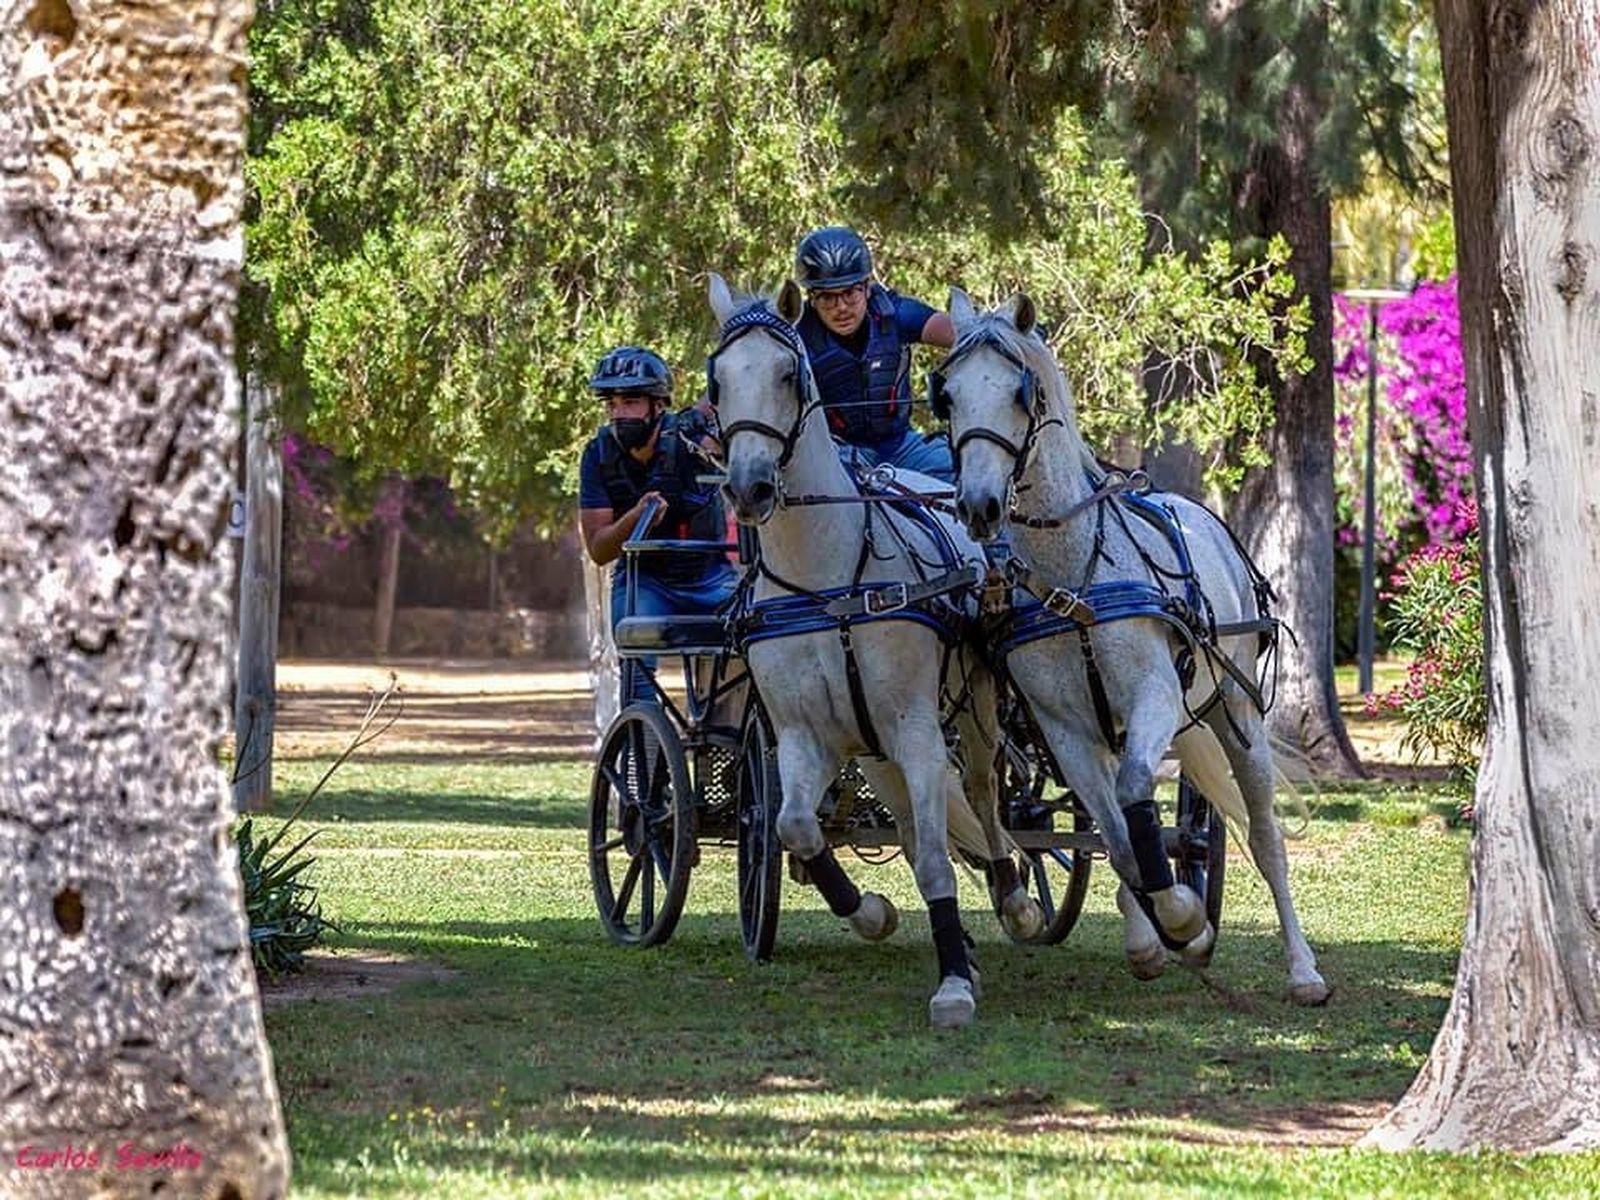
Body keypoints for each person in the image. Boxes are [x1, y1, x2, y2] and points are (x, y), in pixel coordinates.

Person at [578, 346, 736, 703]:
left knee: (758, 645)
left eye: (631, 402)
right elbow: (599, 549)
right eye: (612, 404)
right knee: (637, 675)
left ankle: (734, 747)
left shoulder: (693, 439)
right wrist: (636, 517)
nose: (619, 414)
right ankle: (645, 753)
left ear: (658, 404)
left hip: (711, 577)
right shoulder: (597, 455)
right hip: (644, 581)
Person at [794, 225, 957, 483]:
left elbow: (964, 332)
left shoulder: (895, 314)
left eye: (849, 293)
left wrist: (1011, 331)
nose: (841, 307)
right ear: (811, 298)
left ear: (867, 287)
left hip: (901, 446)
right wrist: (706, 419)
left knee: (961, 473)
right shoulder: (796, 335)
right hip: (837, 454)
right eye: (828, 297)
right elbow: (744, 376)